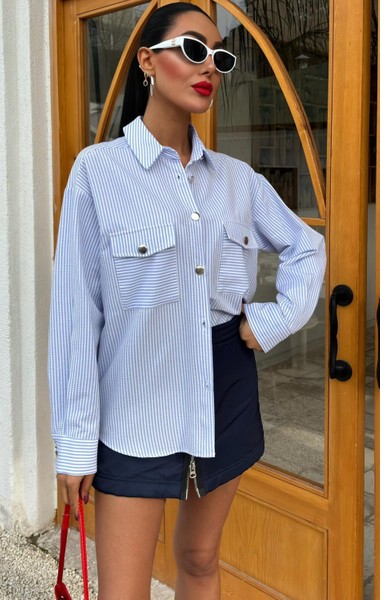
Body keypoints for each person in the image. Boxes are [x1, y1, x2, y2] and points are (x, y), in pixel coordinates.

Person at [48, 3, 326, 599]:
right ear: (147, 61)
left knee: (199, 560)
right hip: (133, 400)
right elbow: (76, 314)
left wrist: (271, 321)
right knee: (124, 590)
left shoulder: (236, 180)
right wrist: (74, 442)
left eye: (220, 57)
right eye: (194, 49)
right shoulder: (97, 173)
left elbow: (308, 246)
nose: (210, 67)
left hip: (225, 383)